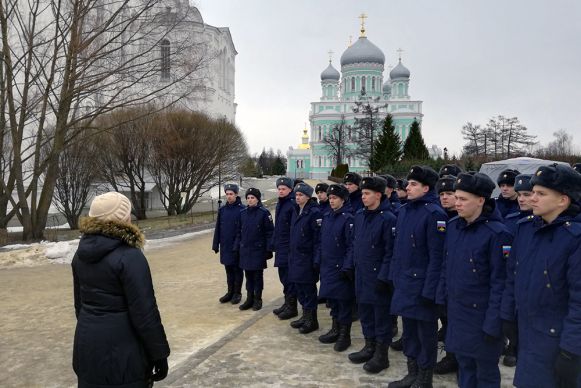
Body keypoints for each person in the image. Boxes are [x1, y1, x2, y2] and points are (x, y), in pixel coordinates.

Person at [72, 192, 170, 387]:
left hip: (87, 346)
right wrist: (159, 354)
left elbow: (79, 305)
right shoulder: (130, 256)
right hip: (124, 353)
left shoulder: (80, 254)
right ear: (122, 218)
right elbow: (145, 313)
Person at [501, 164, 581, 388]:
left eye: (541, 193)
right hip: (528, 334)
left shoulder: (575, 238)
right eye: (532, 192)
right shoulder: (525, 229)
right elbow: (512, 276)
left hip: (558, 342)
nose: (532, 198)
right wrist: (507, 317)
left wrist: (571, 351)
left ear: (562, 200)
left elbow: (579, 301)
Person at [436, 173, 512, 387]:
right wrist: (441, 300)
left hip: (483, 319)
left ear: (481, 200)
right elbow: (446, 266)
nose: (457, 203)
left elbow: (501, 284)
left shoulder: (498, 234)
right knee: (464, 367)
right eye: (456, 198)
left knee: (485, 372)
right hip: (458, 314)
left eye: (463, 199)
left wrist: (494, 324)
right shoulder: (453, 227)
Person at [389, 166, 447, 388]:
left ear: (426, 188)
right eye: (408, 183)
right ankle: (411, 372)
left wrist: (430, 291)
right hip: (404, 284)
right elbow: (399, 250)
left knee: (426, 334)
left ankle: (425, 377)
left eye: (413, 184)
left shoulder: (435, 214)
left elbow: (437, 258)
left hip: (423, 288)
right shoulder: (404, 211)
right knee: (409, 332)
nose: (407, 187)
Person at [346, 176, 397, 374]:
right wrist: (350, 266)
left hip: (378, 278)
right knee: (366, 314)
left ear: (378, 195)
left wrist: (384, 277)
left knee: (381, 317)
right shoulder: (359, 215)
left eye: (367, 193)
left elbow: (390, 252)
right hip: (361, 274)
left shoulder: (388, 219)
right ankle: (369, 347)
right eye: (362, 193)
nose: (363, 196)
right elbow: (355, 244)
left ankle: (381, 355)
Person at [317, 184, 355, 351]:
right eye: (330, 198)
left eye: (335, 198)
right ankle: (335, 329)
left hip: (341, 268)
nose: (331, 201)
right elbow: (321, 242)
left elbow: (351, 246)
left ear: (343, 199)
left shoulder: (348, 218)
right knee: (332, 300)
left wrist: (347, 267)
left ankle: (344, 335)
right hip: (328, 266)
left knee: (343, 303)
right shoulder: (327, 216)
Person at [500, 174, 533, 368]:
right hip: (510, 273)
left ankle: (514, 347)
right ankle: (511, 342)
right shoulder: (512, 220)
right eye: (520, 194)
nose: (521, 199)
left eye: (527, 194)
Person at [433, 174, 459, 376]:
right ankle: (451, 355)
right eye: (442, 194)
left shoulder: (460, 220)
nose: (445, 197)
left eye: (449, 193)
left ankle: (455, 357)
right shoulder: (436, 215)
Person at [287, 183, 322, 334]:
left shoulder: (314, 213)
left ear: (308, 196)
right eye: (296, 195)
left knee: (308, 290)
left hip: (307, 259)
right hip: (295, 258)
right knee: (300, 288)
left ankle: (312, 320)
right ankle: (305, 316)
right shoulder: (297, 211)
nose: (297, 197)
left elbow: (318, 239)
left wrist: (316, 260)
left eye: (301, 195)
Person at [236, 188, 274, 311]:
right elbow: (239, 232)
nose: (250, 200)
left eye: (252, 197)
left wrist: (268, 249)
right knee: (248, 276)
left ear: (257, 199)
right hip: (245, 250)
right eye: (248, 198)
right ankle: (249, 299)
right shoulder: (242, 213)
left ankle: (258, 299)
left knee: (257, 276)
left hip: (258, 251)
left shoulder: (264, 213)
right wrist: (237, 246)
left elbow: (270, 232)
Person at [212, 183, 245, 305]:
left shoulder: (242, 210)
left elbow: (242, 230)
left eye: (231, 194)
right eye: (227, 194)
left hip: (236, 246)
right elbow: (218, 228)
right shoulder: (222, 210)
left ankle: (237, 293)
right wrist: (216, 244)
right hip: (225, 246)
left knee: (237, 270)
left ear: (236, 194)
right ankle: (230, 292)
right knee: (228, 270)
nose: (229, 196)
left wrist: (238, 244)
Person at [272, 177, 299, 320]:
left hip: (288, 247)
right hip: (281, 246)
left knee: (289, 278)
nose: (280, 191)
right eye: (279, 189)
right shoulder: (280, 203)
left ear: (290, 189)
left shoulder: (292, 204)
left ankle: (292, 306)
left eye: (283, 189)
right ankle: (287, 302)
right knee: (283, 276)